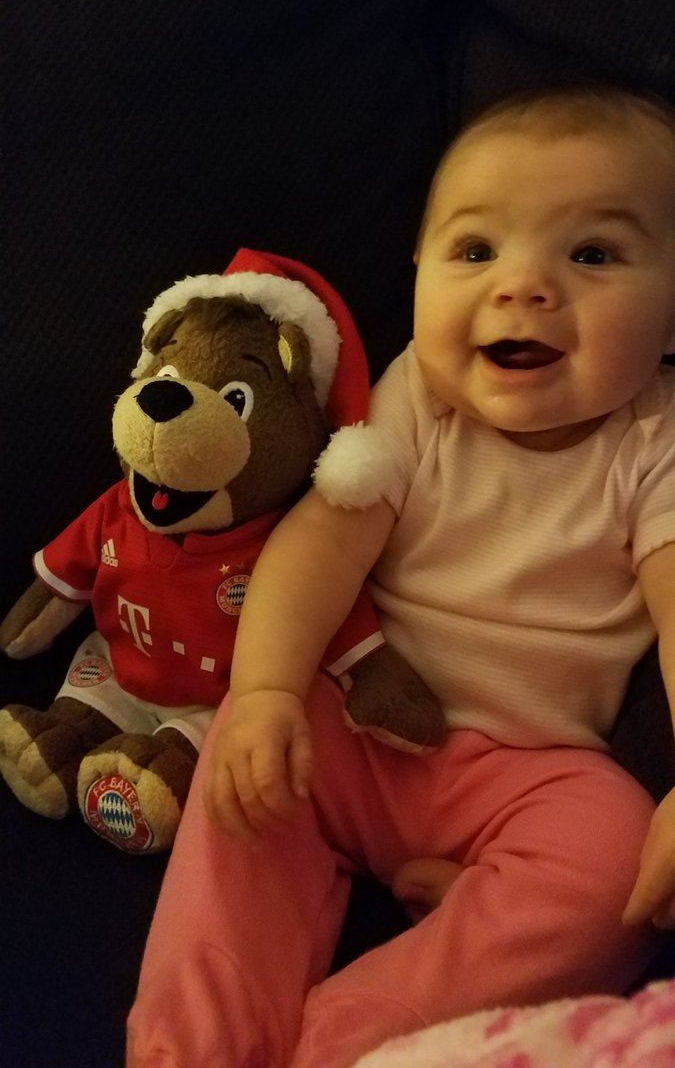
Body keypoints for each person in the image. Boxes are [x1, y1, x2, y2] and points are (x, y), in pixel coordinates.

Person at [127, 86, 675, 1068]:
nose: (523, 286)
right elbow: (321, 545)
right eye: (476, 250)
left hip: (528, 771)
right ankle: (197, 1041)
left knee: (619, 858)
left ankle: (362, 1038)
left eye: (592, 254)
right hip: (354, 724)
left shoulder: (656, 441)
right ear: (418, 273)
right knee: (241, 781)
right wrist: (266, 692)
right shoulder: (417, 396)